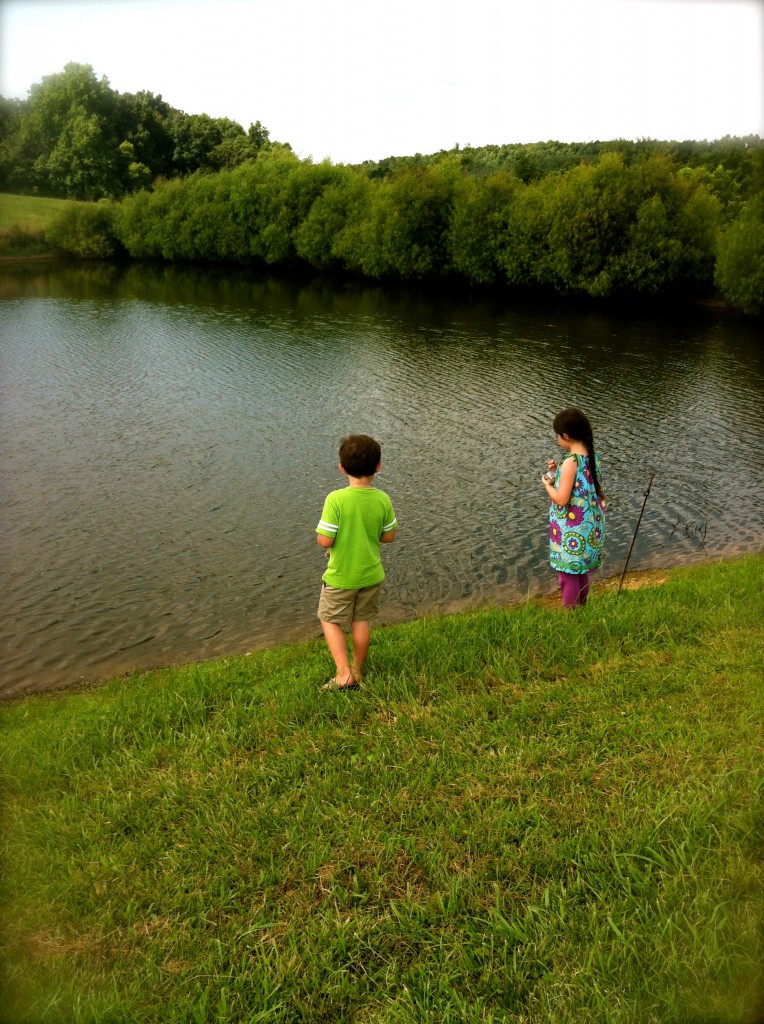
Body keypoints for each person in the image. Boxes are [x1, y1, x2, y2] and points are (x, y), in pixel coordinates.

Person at [315, 434, 397, 690]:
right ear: (378, 467)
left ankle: (343, 674)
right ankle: (358, 672)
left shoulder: (336, 499)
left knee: (328, 619)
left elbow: (325, 541)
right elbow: (389, 536)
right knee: (360, 621)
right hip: (370, 575)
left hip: (341, 577)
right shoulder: (382, 499)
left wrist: (324, 536)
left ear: (342, 468)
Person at [541, 407, 606, 608]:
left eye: (558, 436)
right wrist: (556, 472)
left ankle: (571, 615)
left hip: (571, 531)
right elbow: (582, 486)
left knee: (567, 576)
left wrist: (547, 484)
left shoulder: (571, 461)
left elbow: (561, 499)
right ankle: (582, 608)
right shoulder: (591, 456)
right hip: (587, 528)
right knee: (580, 573)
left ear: (566, 436)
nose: (557, 440)